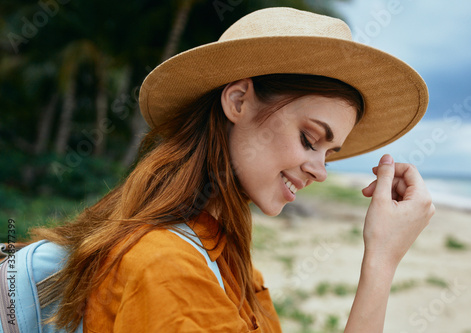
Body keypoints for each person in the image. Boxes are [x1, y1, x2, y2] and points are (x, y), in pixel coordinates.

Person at [29, 7, 434, 333]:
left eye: (328, 153)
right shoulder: (166, 266)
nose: (320, 171)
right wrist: (381, 260)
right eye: (311, 139)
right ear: (238, 101)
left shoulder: (220, 251)